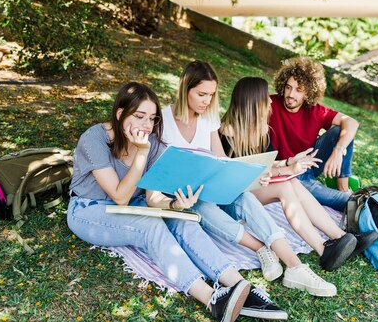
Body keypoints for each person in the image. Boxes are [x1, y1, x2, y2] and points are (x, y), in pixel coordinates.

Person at [67, 82, 269, 322]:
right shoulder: (95, 138)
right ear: (120, 114)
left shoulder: (152, 142)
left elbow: (153, 199)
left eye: (151, 118)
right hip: (89, 208)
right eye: (139, 116)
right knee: (150, 227)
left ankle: (238, 284)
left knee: (183, 221)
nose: (146, 125)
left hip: (135, 204)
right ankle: (213, 300)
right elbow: (119, 196)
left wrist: (175, 206)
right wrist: (141, 153)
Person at [162, 60, 338, 299]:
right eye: (202, 94)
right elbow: (159, 170)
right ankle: (261, 248)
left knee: (244, 196)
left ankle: (296, 267)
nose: (207, 101)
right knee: (201, 203)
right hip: (185, 197)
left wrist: (257, 171)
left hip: (215, 188)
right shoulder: (163, 120)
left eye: (211, 95)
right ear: (185, 89)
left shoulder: (209, 119)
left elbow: (222, 160)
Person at [219, 77, 378, 271]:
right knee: (287, 185)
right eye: (265, 98)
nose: (270, 101)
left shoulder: (263, 129)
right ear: (252, 101)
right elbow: (228, 174)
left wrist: (290, 163)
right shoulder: (227, 132)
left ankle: (339, 237)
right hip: (236, 196)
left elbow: (268, 164)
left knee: (292, 182)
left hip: (256, 185)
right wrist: (279, 170)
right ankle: (323, 250)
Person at [269, 57, 359, 212]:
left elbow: (351, 122)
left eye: (298, 90)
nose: (290, 94)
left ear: (308, 93)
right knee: (349, 202)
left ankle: (342, 185)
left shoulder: (315, 110)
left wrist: (337, 151)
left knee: (341, 132)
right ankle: (344, 196)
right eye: (288, 87)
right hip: (289, 172)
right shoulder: (269, 104)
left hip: (311, 162)